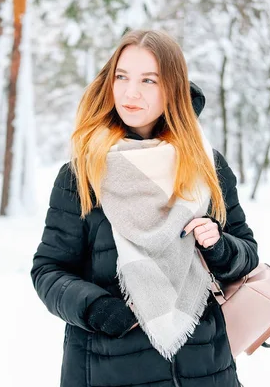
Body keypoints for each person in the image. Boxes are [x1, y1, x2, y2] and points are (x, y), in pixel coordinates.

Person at [31, 29, 258, 387]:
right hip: (109, 368)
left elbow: (247, 254)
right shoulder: (83, 172)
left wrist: (219, 245)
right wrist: (95, 308)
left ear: (172, 88)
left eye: (148, 80)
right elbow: (48, 270)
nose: (130, 92)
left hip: (203, 368)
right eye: (121, 77)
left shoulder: (205, 166)